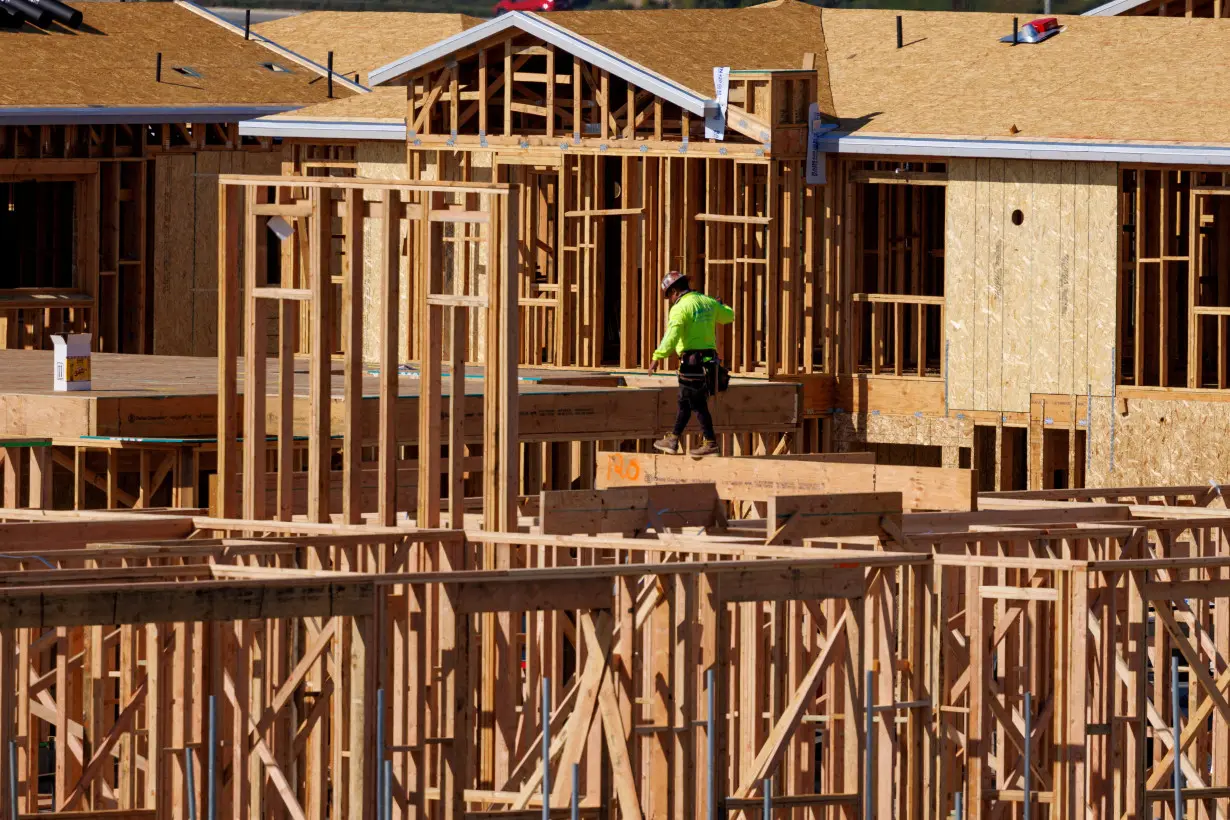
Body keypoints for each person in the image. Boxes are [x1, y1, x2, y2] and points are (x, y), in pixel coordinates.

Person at [648, 271, 734, 456]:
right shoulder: (707, 302)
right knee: (685, 402)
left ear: (675, 291)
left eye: (669, 295)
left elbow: (672, 335)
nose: (670, 300)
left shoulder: (680, 308)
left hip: (691, 363)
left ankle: (709, 442)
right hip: (709, 363)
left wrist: (657, 356)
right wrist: (720, 304)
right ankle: (673, 439)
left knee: (695, 403)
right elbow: (729, 316)